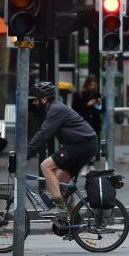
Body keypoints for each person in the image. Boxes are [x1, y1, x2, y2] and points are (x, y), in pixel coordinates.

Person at [27, 82, 98, 220]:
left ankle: (59, 208)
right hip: (83, 145)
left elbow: (43, 134)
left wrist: (25, 154)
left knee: (45, 166)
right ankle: (75, 222)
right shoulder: (55, 108)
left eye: (36, 99)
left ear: (44, 99)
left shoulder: (55, 109)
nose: (34, 103)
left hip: (81, 146)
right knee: (60, 187)